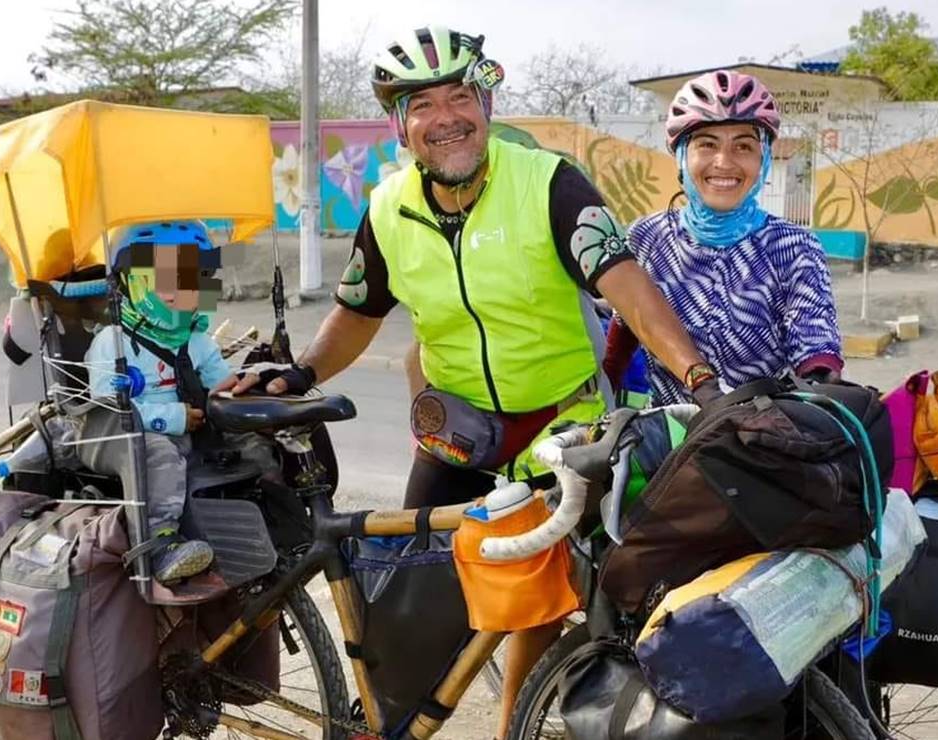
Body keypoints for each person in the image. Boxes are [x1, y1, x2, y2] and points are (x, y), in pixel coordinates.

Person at [233, 25, 714, 737]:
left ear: (486, 105)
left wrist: (699, 378)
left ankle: (513, 723)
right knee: (412, 595)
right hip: (458, 433)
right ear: (402, 125)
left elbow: (628, 285)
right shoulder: (388, 208)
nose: (446, 117)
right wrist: (301, 371)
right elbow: (358, 313)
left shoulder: (548, 182)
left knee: (541, 599)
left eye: (462, 96)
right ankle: (392, 723)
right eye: (422, 104)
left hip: (560, 426)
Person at [604, 69, 844, 407]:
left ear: (762, 160)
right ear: (682, 157)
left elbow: (816, 347)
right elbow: (624, 331)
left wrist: (820, 382)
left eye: (743, 146)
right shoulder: (648, 237)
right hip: (670, 436)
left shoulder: (794, 247)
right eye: (707, 144)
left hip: (759, 435)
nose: (724, 162)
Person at [85, 221, 259, 584]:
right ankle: (160, 548)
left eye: (191, 276)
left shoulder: (197, 340)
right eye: (163, 277)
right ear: (132, 281)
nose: (178, 288)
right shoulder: (111, 342)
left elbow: (218, 384)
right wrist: (172, 417)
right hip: (118, 438)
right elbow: (106, 410)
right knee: (161, 453)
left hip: (184, 432)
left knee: (253, 444)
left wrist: (241, 387)